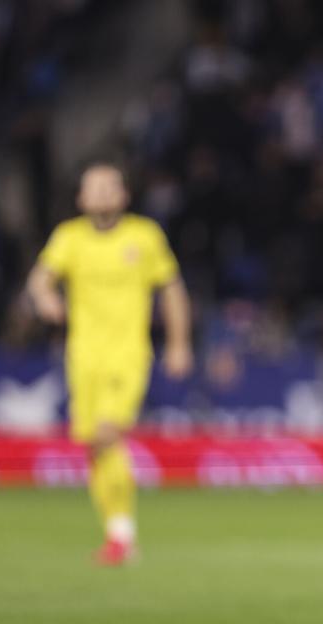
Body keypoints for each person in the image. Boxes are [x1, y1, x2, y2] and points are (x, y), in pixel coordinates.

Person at [27, 162, 192, 565]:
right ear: (81, 198)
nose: (102, 192)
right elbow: (40, 278)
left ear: (124, 195)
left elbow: (171, 290)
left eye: (110, 186)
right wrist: (46, 298)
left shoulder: (144, 236)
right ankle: (117, 533)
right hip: (83, 357)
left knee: (106, 434)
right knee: (95, 446)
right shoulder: (69, 237)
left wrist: (179, 343)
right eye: (94, 187)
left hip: (127, 354)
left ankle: (122, 537)